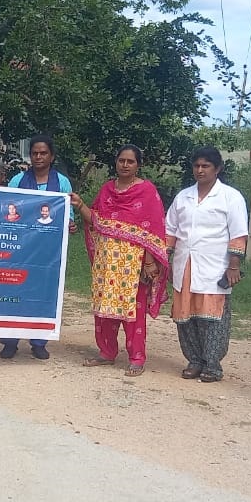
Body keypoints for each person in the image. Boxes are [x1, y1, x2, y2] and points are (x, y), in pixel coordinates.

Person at [69, 144, 169, 377]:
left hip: (135, 265)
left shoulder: (146, 191)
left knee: (134, 311)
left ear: (138, 165)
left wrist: (150, 262)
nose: (125, 165)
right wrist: (80, 205)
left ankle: (137, 357)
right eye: (121, 160)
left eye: (130, 161)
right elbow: (95, 221)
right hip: (107, 265)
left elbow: (153, 231)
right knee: (104, 310)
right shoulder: (106, 190)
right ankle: (106, 352)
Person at [165, 146, 249, 383]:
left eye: (206, 166)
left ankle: (212, 365)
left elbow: (239, 233)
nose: (200, 170)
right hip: (185, 264)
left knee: (212, 317)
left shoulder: (230, 197)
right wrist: (165, 259)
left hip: (214, 265)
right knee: (186, 316)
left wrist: (233, 265)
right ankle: (194, 360)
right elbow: (170, 229)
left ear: (218, 169)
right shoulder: (183, 197)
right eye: (197, 166)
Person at [1, 134, 73, 360]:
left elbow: (67, 215)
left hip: (47, 252)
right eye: (35, 153)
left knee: (43, 294)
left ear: (51, 156)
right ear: (30, 155)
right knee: (14, 292)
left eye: (43, 153)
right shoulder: (17, 181)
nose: (39, 157)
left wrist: (70, 224)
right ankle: (10, 341)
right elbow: (7, 212)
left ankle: (39, 341)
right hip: (20, 249)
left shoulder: (61, 182)